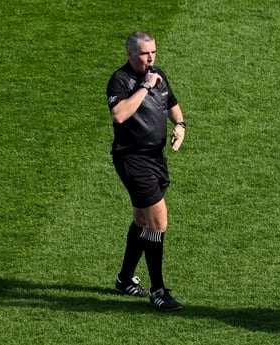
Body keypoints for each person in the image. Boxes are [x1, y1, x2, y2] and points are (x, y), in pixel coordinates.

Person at [106, 30, 187, 311]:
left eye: (153, 52)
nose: (150, 57)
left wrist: (180, 126)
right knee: (158, 223)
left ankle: (125, 279)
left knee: (142, 221)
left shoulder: (158, 74)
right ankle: (158, 290)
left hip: (156, 158)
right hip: (133, 160)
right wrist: (144, 86)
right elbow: (119, 115)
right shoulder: (121, 80)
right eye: (144, 53)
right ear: (130, 54)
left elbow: (172, 105)